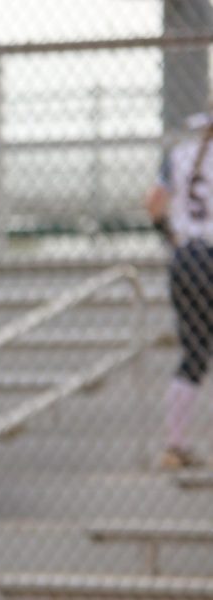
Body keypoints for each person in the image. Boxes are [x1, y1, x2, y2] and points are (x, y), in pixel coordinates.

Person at [145, 113, 213, 469]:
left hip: (187, 258)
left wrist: (172, 238)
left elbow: (154, 202)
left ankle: (175, 444)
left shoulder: (182, 153)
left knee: (194, 353)